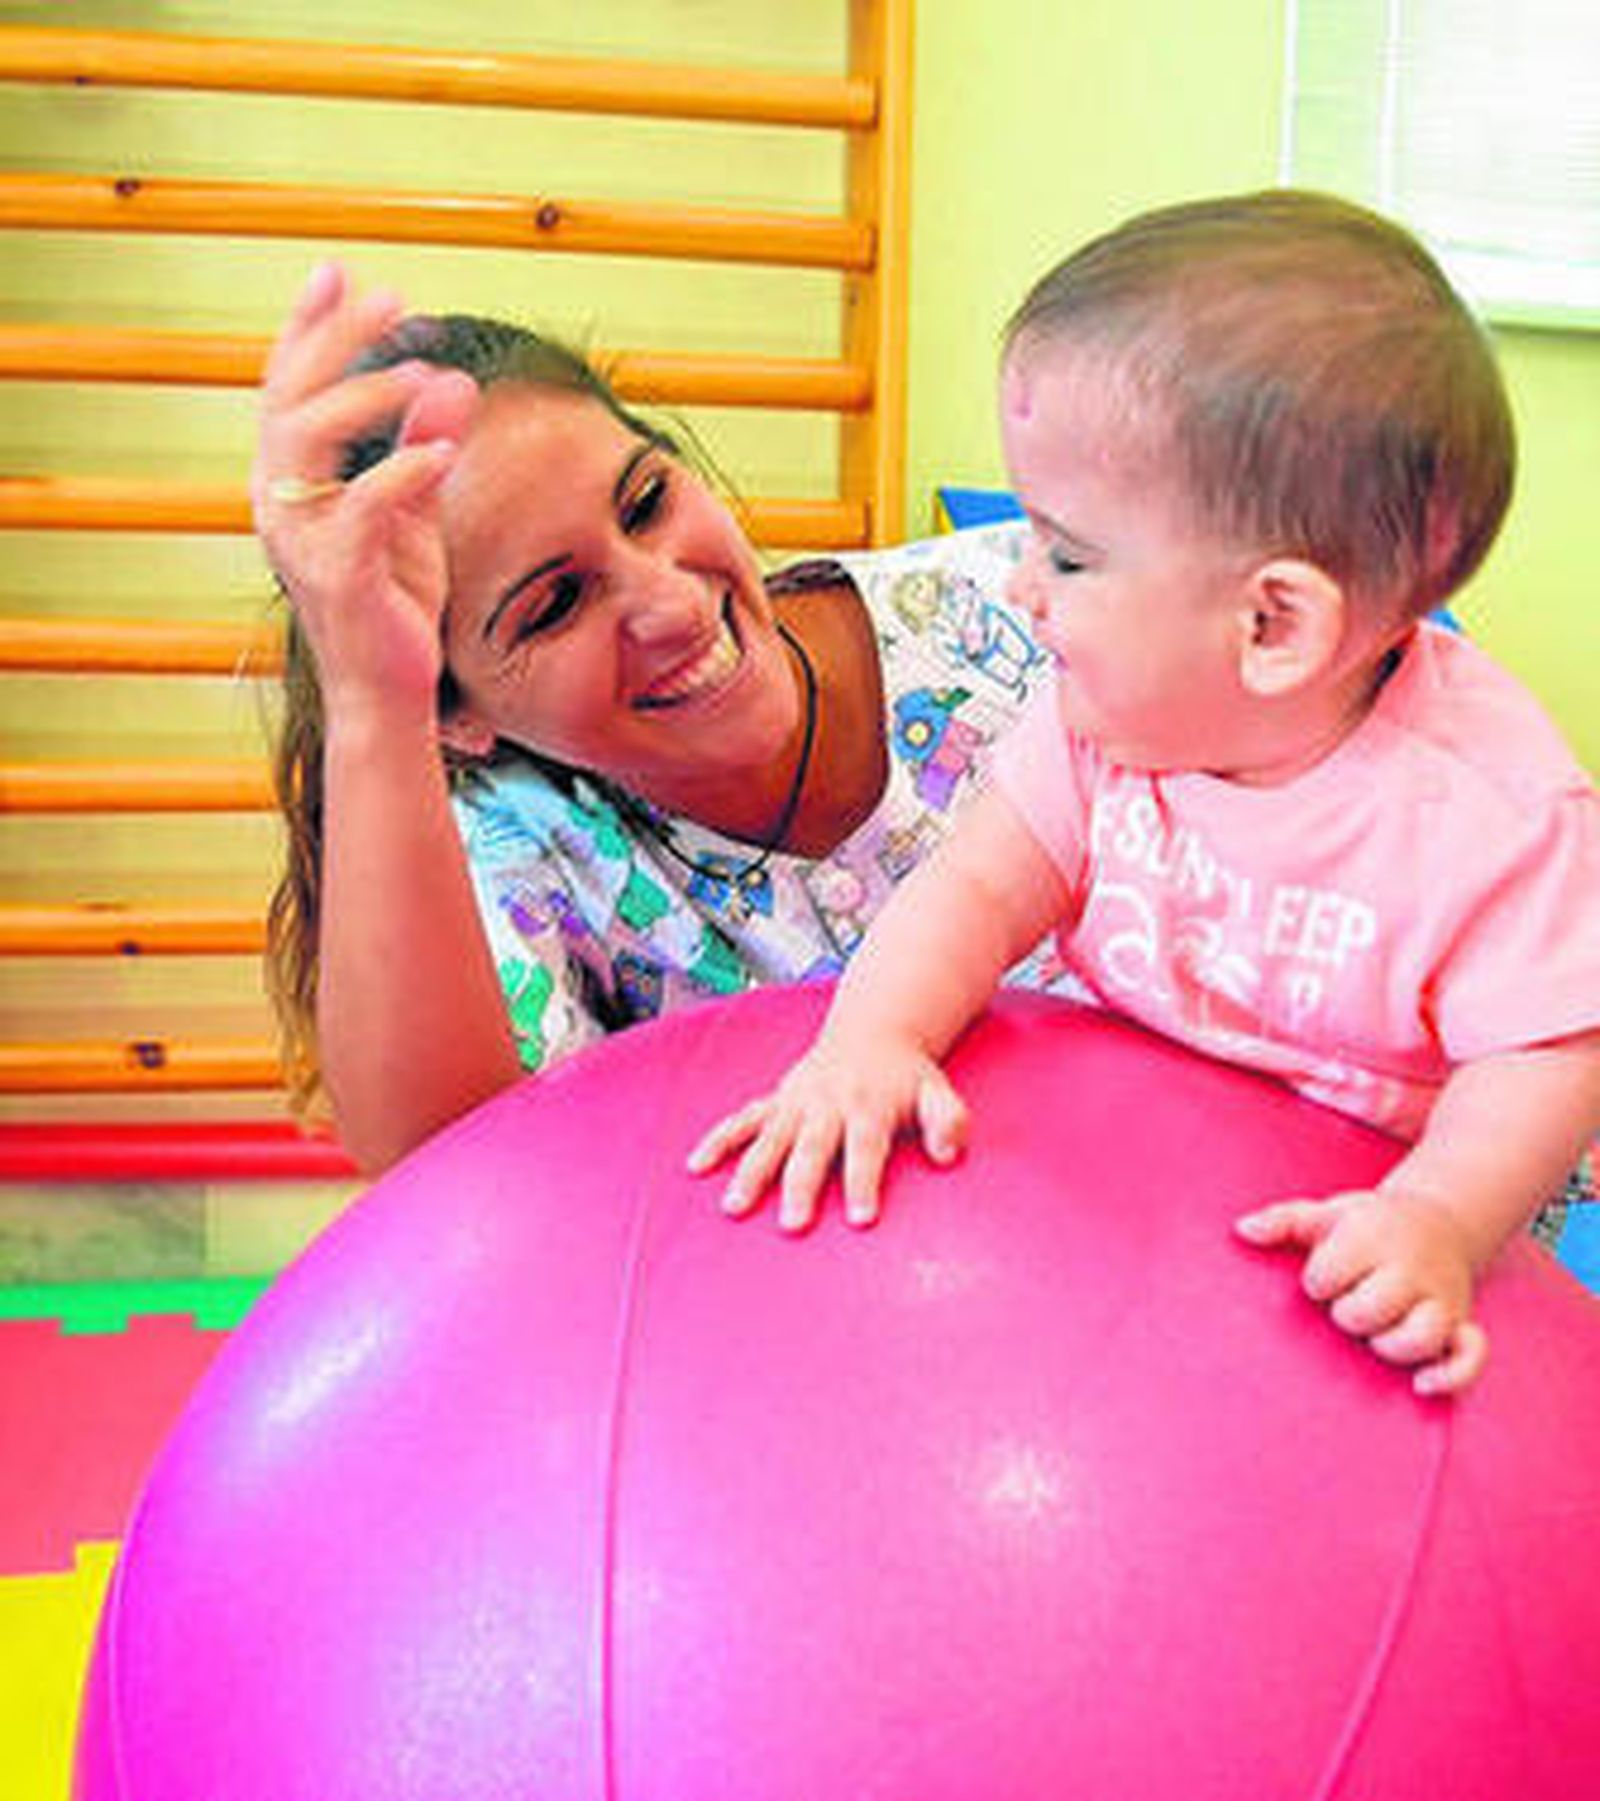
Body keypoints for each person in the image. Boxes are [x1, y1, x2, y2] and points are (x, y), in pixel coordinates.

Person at [689, 189, 1600, 1398]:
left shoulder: (1490, 823)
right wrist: (872, 1041)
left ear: (1272, 623)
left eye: (1065, 553)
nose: (1020, 588)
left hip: (1361, 1233)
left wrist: (1434, 1217)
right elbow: (972, 887)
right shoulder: (1100, 730)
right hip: (1134, 1202)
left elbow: (1546, 1059)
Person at [254, 263, 1057, 1174]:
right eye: (554, 606)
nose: (672, 605)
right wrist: (373, 702)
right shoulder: (530, 849)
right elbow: (442, 1177)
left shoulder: (1033, 609)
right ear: (461, 717)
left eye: (646, 503)